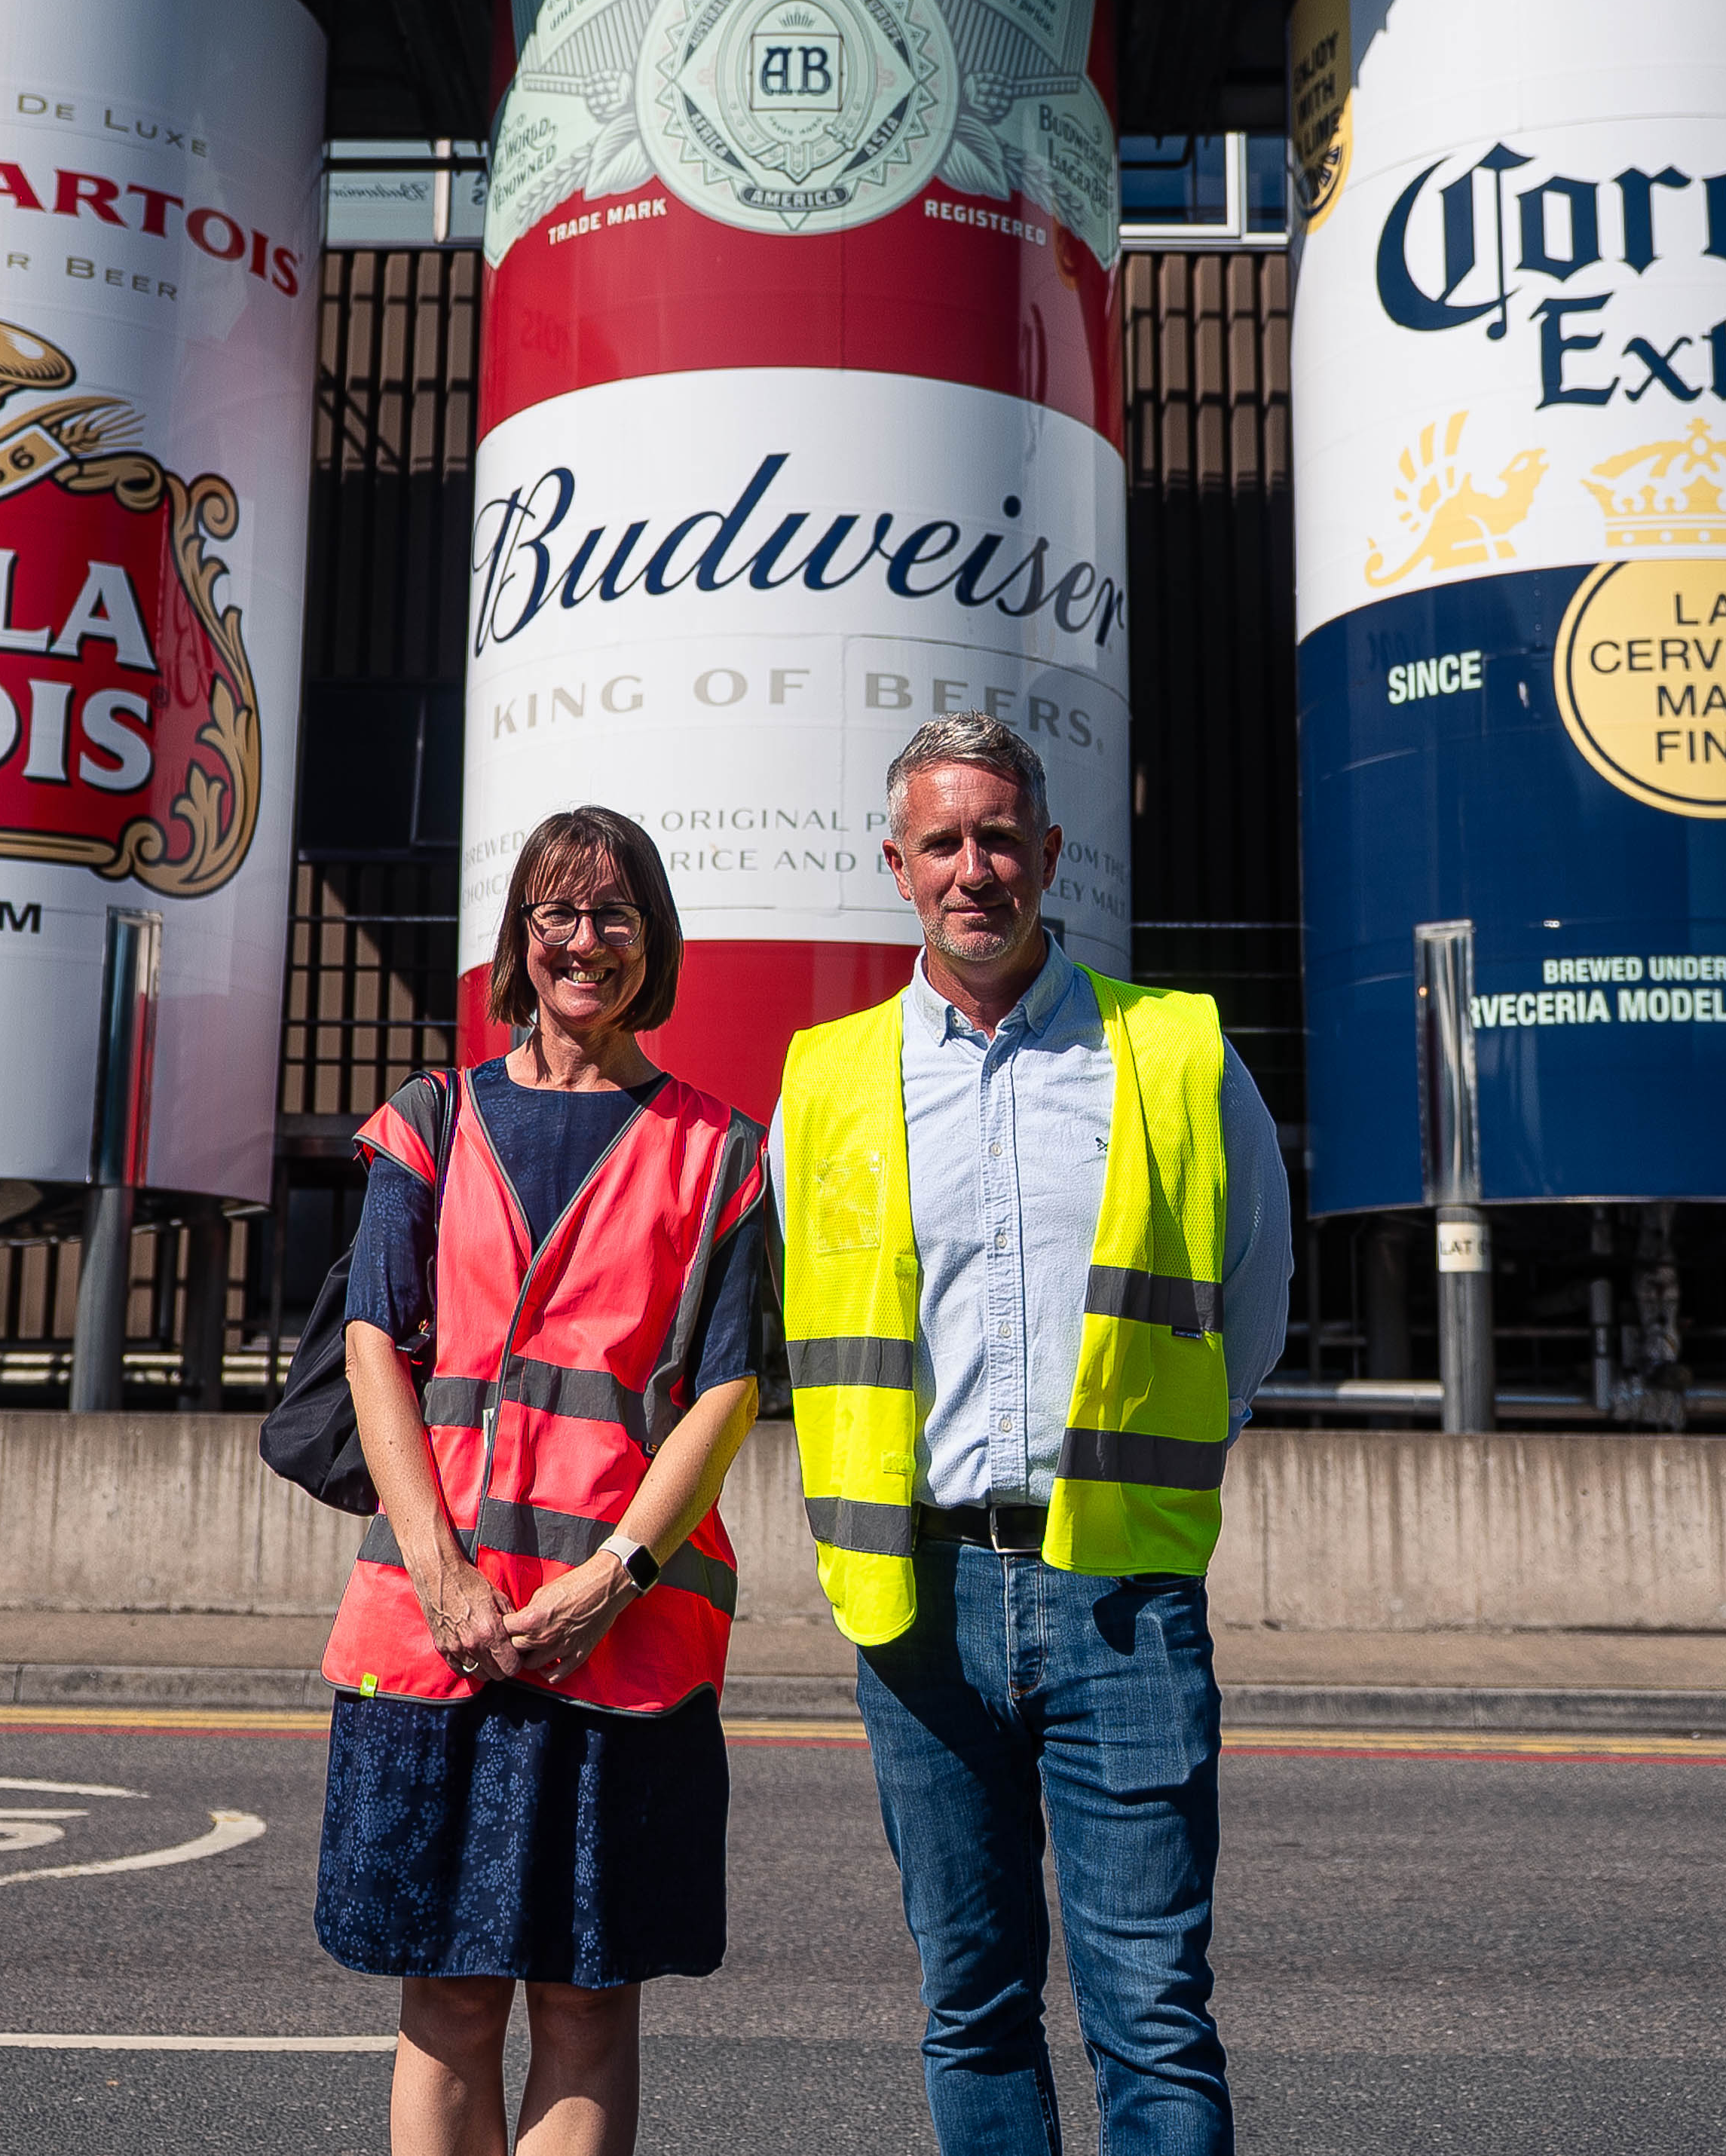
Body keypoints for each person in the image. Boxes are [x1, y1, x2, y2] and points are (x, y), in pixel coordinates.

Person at [770, 714, 1292, 2156]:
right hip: (916, 1596)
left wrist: (1149, 1458)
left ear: (1051, 853)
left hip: (1118, 1591)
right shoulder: (823, 1083)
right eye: (943, 840)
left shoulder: (1175, 1053)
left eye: (1001, 835)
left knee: (1153, 2019)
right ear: (897, 864)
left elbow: (1251, 1305)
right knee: (973, 2006)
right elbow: (794, 1322)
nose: (974, 867)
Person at [317, 804, 775, 2156]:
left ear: (654, 940)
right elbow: (374, 1345)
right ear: (521, 939)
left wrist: (608, 1579)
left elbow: (729, 1388)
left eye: (616, 913)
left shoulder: (721, 1150)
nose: (587, 941)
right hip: (431, 1629)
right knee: (448, 1994)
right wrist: (445, 1570)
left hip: (623, 1643)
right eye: (558, 915)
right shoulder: (428, 1121)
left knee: (587, 2003)